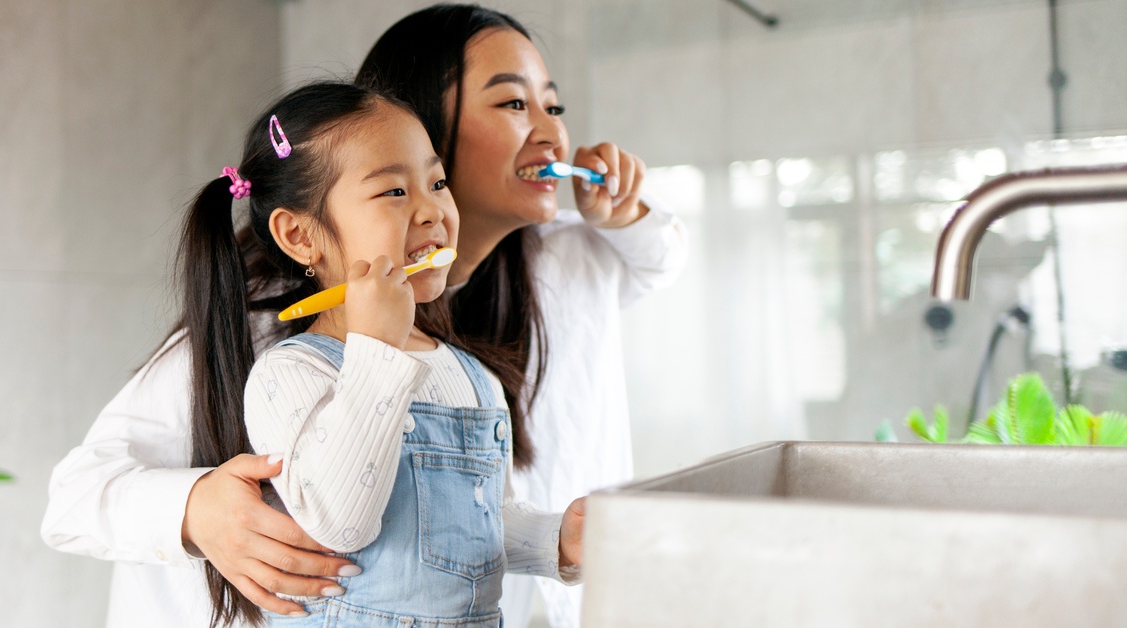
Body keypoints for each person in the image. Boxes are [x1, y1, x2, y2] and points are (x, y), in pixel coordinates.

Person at [42, 4, 685, 627]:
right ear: (418, 123)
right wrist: (196, 510)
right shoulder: (270, 329)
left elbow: (470, 515)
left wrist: (552, 542)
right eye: (513, 103)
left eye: (554, 105)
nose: (550, 132)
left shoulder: (528, 289)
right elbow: (75, 496)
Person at [167, 80, 584, 626]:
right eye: (393, 192)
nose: (433, 211)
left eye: (436, 181)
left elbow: (477, 523)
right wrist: (377, 349)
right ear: (299, 236)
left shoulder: (471, 375)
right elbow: (340, 523)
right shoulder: (289, 373)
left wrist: (558, 541)